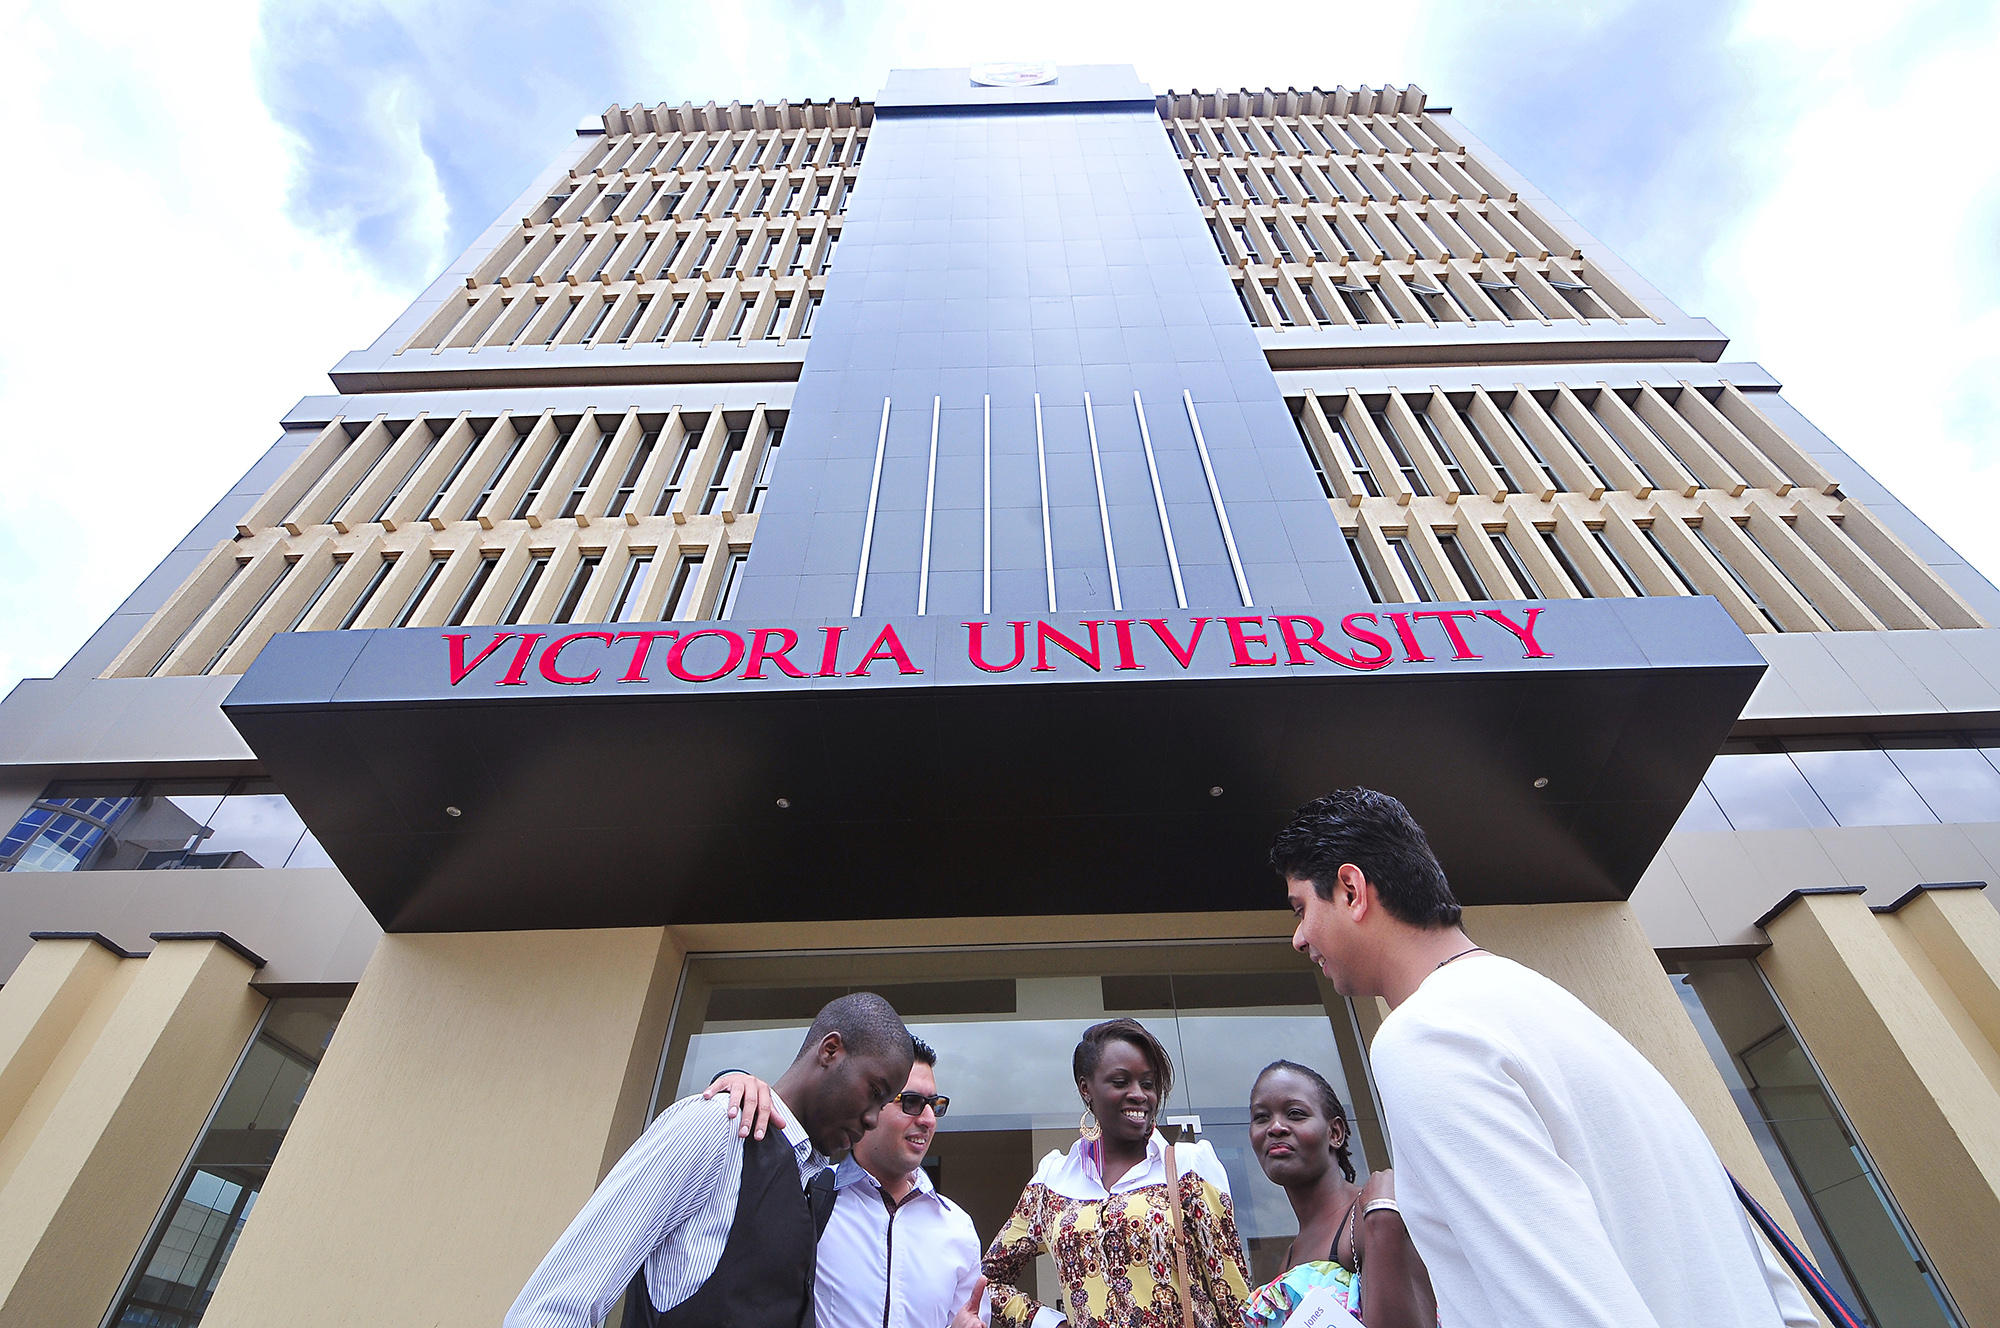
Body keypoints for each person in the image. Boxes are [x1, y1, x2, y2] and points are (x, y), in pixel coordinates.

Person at [1270, 788, 1817, 1328]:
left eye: (1301, 908)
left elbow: (1562, 1310)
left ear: (1351, 890)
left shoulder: (1426, 1036)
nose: (1298, 938)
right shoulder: (1560, 1014)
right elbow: (1769, 1286)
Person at [503, 992, 915, 1328]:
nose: (873, 1119)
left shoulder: (810, 1181)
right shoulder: (716, 1128)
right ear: (830, 1050)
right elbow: (555, 1306)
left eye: (884, 1103)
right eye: (874, 1091)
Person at [983, 1018, 1252, 1328]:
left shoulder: (1189, 1168)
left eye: (1148, 1084)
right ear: (1086, 1088)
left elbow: (1233, 1298)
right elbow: (988, 1281)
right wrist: (1050, 1324)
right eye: (1121, 1082)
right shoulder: (1052, 1181)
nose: (1139, 1094)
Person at [708, 1035, 990, 1328]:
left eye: (935, 1105)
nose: (928, 1119)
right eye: (912, 1102)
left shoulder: (957, 1228)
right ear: (870, 1106)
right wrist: (737, 1081)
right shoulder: (807, 1191)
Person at [1242, 1059, 1435, 1328]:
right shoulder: (1290, 1258)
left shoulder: (1375, 1212)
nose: (1275, 1127)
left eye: (1295, 1114)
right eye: (1262, 1117)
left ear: (1335, 1133)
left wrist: (1383, 1220)